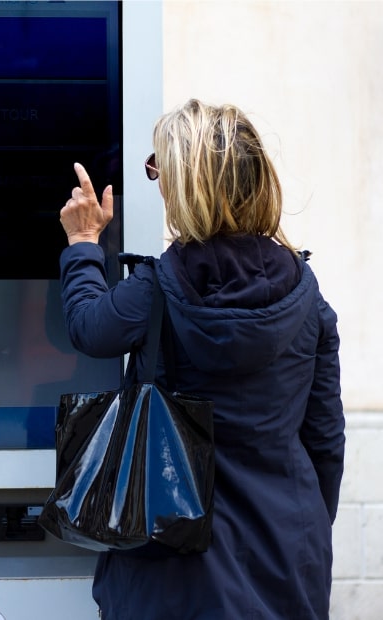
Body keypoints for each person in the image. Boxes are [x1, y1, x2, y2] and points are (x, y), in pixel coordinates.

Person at [58, 99, 345, 619]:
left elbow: (88, 327)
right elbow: (324, 441)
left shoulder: (157, 288)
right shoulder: (307, 295)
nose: (156, 182)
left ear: (188, 187)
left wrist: (83, 242)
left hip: (173, 561)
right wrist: (300, 529)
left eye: (158, 170)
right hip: (285, 554)